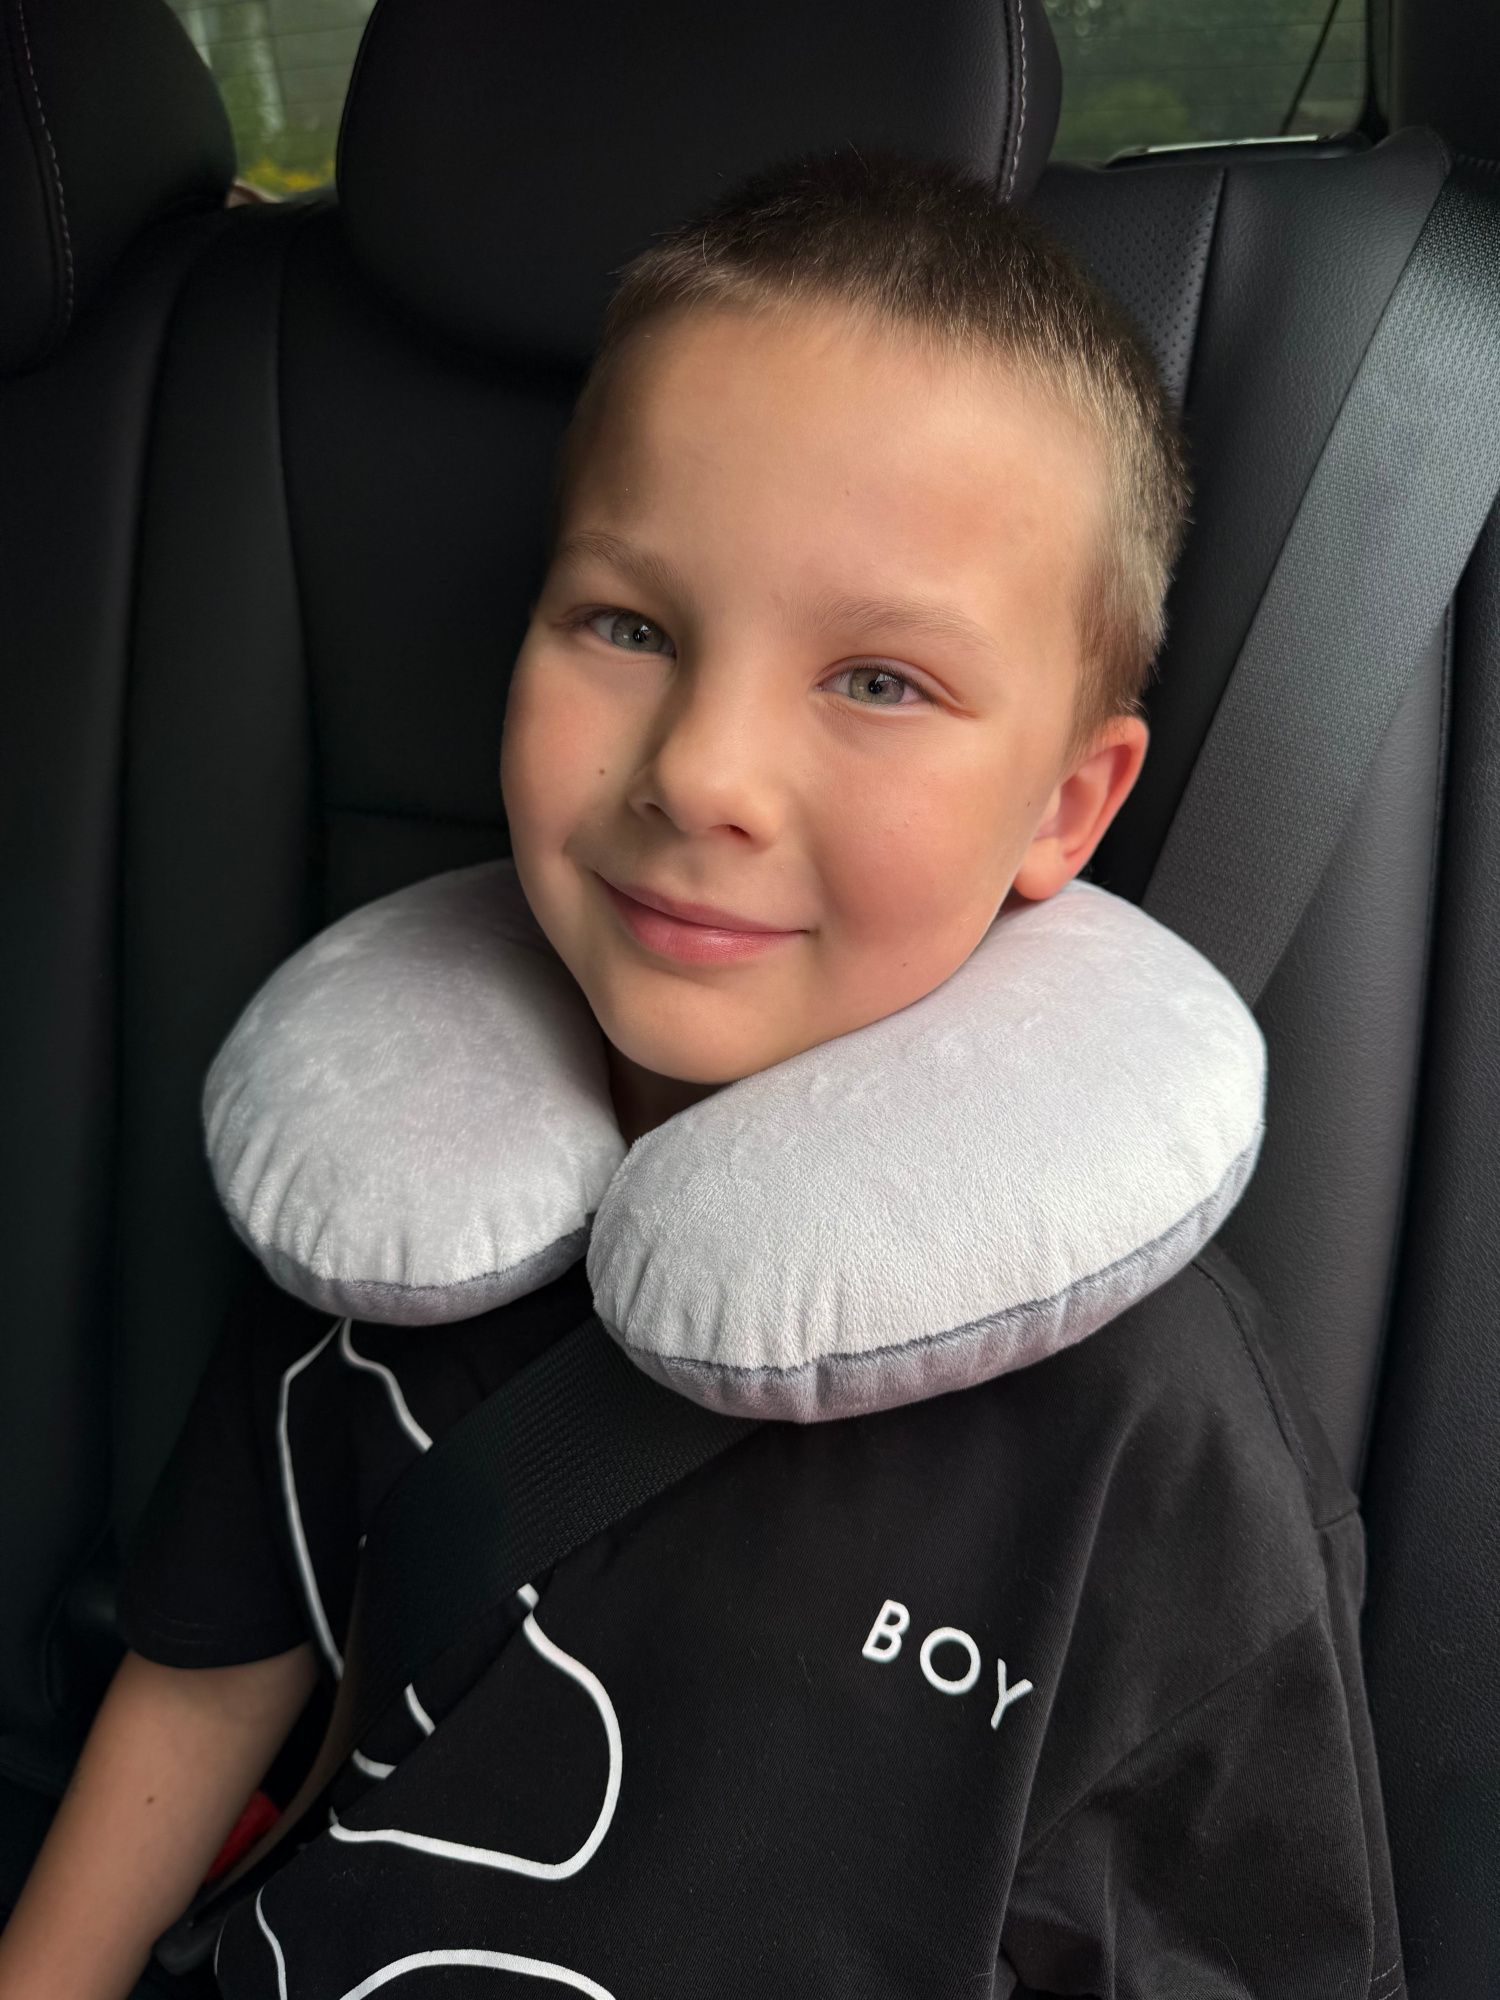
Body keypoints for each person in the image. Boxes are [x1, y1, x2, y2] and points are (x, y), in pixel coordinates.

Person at [0, 147, 1403, 1999]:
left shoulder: (1160, 1434)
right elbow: (201, 1679)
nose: (700, 773)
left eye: (880, 681)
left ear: (1068, 806)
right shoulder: (386, 1206)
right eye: (630, 628)